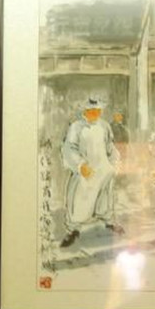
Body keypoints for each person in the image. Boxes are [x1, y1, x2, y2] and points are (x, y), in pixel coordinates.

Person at [59, 98, 124, 248]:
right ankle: (73, 230)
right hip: (85, 171)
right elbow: (69, 148)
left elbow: (110, 146)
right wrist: (80, 164)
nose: (95, 114)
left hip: (103, 169)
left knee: (105, 197)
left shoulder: (104, 125)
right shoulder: (76, 127)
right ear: (85, 112)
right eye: (92, 111)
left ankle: (108, 221)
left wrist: (114, 163)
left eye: (98, 111)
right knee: (79, 199)